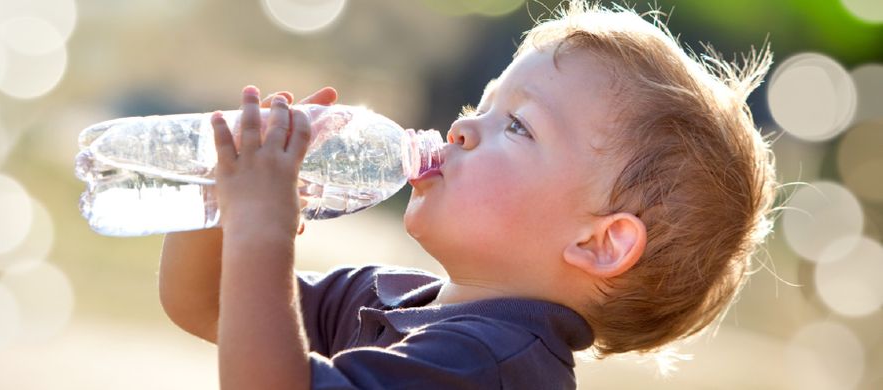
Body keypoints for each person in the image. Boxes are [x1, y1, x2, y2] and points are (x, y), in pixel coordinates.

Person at [158, 1, 776, 388]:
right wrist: (220, 191)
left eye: (517, 125)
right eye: (480, 104)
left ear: (599, 241)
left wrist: (261, 232)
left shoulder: (491, 365)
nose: (460, 128)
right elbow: (206, 302)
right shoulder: (391, 296)